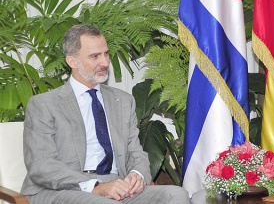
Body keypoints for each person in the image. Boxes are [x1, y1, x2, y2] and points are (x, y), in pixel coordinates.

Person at [21, 24, 190, 204]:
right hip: (64, 189)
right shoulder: (44, 105)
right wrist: (95, 186)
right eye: (95, 56)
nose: (105, 62)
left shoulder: (123, 101)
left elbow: (136, 152)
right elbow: (42, 166)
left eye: (106, 54)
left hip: (116, 184)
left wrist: (137, 174)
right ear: (72, 61)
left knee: (177, 195)